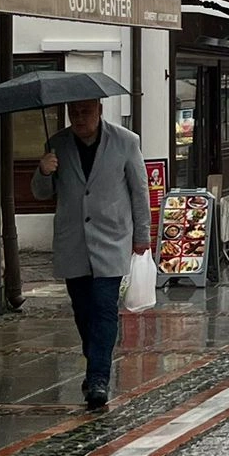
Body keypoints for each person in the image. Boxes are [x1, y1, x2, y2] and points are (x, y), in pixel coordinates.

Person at [33, 98, 151, 411]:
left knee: (103, 308)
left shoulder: (126, 141)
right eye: (73, 112)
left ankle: (98, 378)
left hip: (112, 239)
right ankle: (95, 362)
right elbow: (41, 193)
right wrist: (43, 170)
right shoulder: (57, 144)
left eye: (85, 112)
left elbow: (139, 191)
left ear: (99, 110)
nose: (79, 118)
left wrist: (142, 236)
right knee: (83, 311)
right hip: (73, 242)